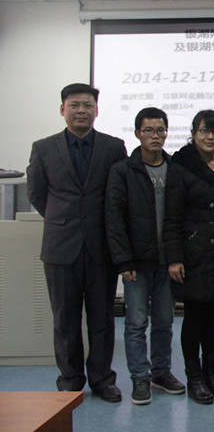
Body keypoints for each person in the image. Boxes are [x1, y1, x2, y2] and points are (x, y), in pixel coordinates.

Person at [26, 83, 127, 402]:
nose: (81, 110)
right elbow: (36, 193)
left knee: (102, 319)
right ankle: (70, 379)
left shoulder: (113, 147)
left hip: (101, 247)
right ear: (62, 110)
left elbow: (118, 195)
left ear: (96, 110)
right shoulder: (44, 148)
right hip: (60, 246)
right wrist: (62, 219)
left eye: (87, 105)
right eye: (74, 105)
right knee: (65, 319)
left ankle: (102, 379)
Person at [106, 107, 186, 405]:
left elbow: (180, 217)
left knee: (164, 321)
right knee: (136, 323)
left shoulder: (174, 168)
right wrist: (123, 260)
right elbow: (114, 218)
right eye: (149, 130)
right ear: (138, 133)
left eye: (160, 130)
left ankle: (160, 372)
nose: (156, 136)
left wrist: (178, 256)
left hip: (167, 262)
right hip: (137, 263)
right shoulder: (123, 171)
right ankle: (139, 377)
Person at [164, 110, 214, 404]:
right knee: (194, 316)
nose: (210, 137)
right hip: (192, 253)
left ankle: (211, 373)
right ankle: (194, 377)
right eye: (204, 131)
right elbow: (171, 217)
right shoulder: (181, 164)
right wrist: (174, 258)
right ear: (193, 133)